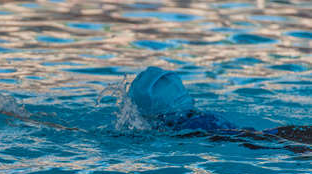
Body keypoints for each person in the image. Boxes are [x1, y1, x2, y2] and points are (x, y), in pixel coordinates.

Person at [128, 66, 311, 145]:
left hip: (203, 129)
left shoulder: (170, 126)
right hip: (208, 121)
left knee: (261, 139)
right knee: (262, 135)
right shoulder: (195, 117)